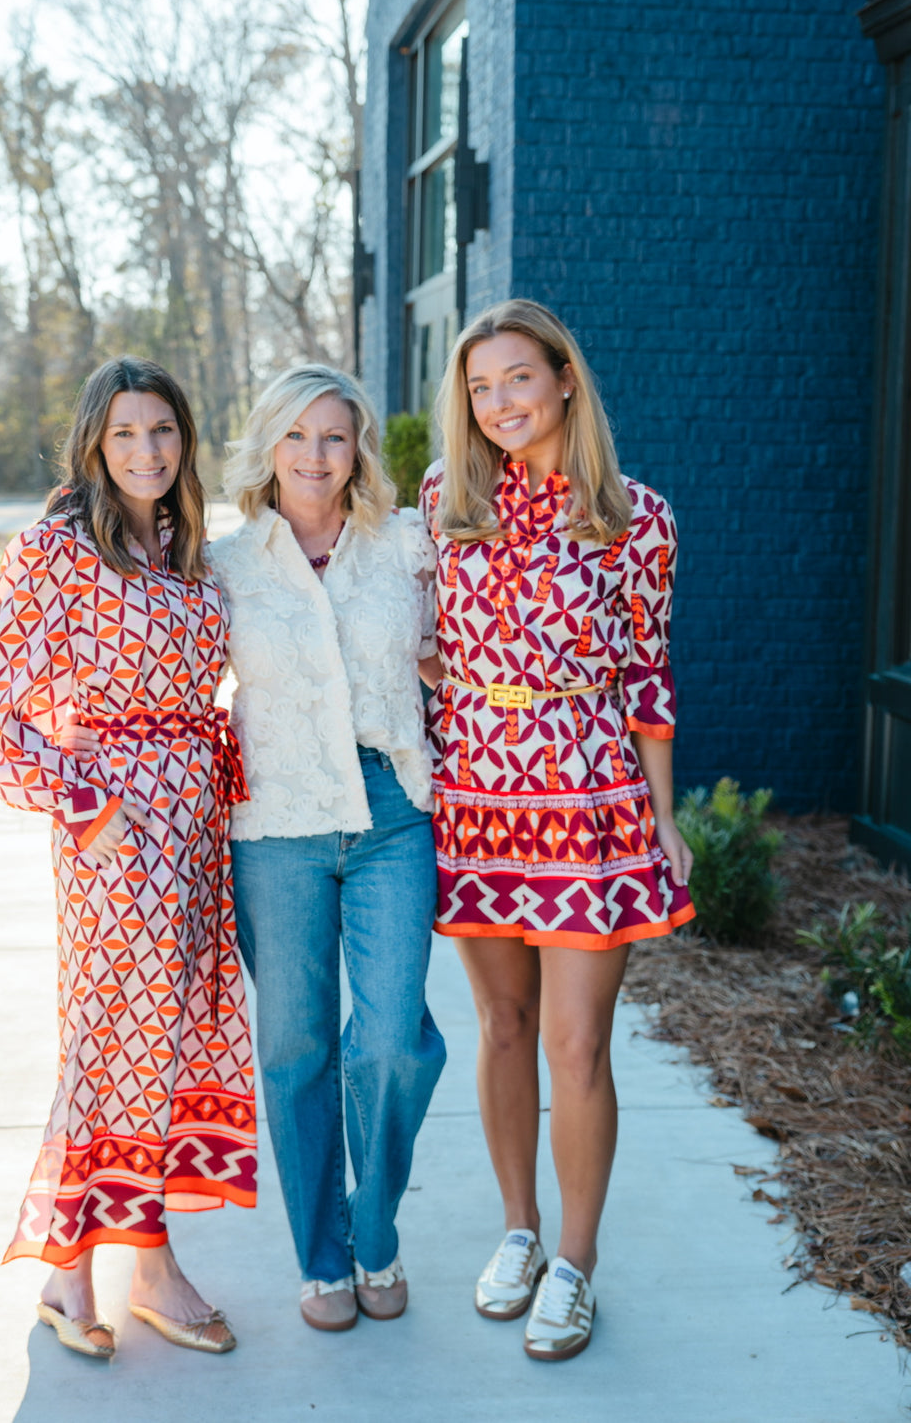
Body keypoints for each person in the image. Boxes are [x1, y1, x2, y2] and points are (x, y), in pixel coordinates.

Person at [419, 299, 694, 1362]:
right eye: (481, 387)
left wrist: (663, 821)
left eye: (518, 380)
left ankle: (575, 1264)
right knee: (501, 1028)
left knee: (577, 1043)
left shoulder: (637, 518)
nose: (499, 405)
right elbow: (419, 637)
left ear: (565, 380)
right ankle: (518, 1232)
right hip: (481, 798)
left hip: (588, 799)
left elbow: (648, 677)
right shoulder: (447, 502)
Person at [0, 357, 255, 1361]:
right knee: (114, 1045)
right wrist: (93, 812)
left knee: (165, 1042)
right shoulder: (58, 550)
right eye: (126, 434)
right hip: (117, 839)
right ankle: (145, 1263)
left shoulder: (187, 549)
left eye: (164, 432)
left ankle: (72, 1269)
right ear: (95, 444)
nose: (147, 451)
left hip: (196, 834)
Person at [210, 362, 446, 1332]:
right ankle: (321, 1259)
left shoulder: (404, 546)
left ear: (358, 451)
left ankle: (372, 1229)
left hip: (391, 815)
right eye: (298, 437)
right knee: (298, 1047)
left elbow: (459, 648)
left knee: (391, 1040)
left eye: (335, 437)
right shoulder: (224, 564)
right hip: (275, 826)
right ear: (269, 447)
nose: (316, 455)